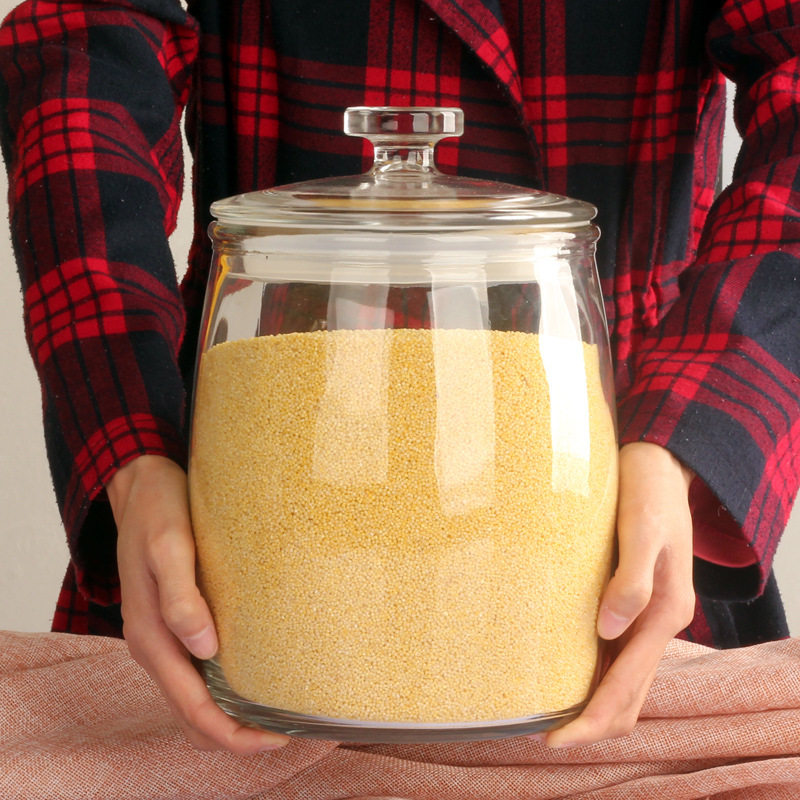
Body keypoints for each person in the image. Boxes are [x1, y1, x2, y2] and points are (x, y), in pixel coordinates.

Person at [1, 0, 798, 756]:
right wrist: (131, 442)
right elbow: (85, 44)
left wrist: (686, 439)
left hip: (624, 491)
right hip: (228, 516)